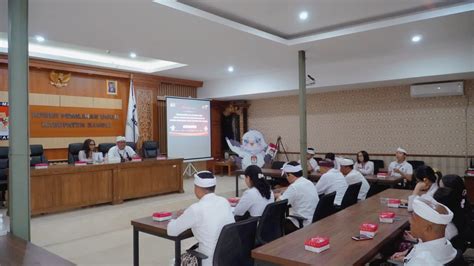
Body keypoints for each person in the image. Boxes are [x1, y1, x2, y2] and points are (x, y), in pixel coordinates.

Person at [168, 171, 235, 266]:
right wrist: (187, 214)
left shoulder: (196, 209)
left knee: (175, 262)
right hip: (229, 256)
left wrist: (174, 218)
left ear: (198, 188)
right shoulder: (224, 201)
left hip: (207, 260)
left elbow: (172, 231)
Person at [391, 197, 457, 265]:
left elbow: (422, 261)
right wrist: (405, 259)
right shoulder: (447, 244)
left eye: (413, 218)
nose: (409, 220)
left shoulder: (421, 261)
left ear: (428, 228)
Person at [275, 161, 319, 234]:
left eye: (286, 175)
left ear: (291, 175)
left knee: (276, 224)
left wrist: (278, 196)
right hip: (313, 218)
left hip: (303, 222)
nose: (286, 178)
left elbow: (278, 204)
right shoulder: (308, 182)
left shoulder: (294, 187)